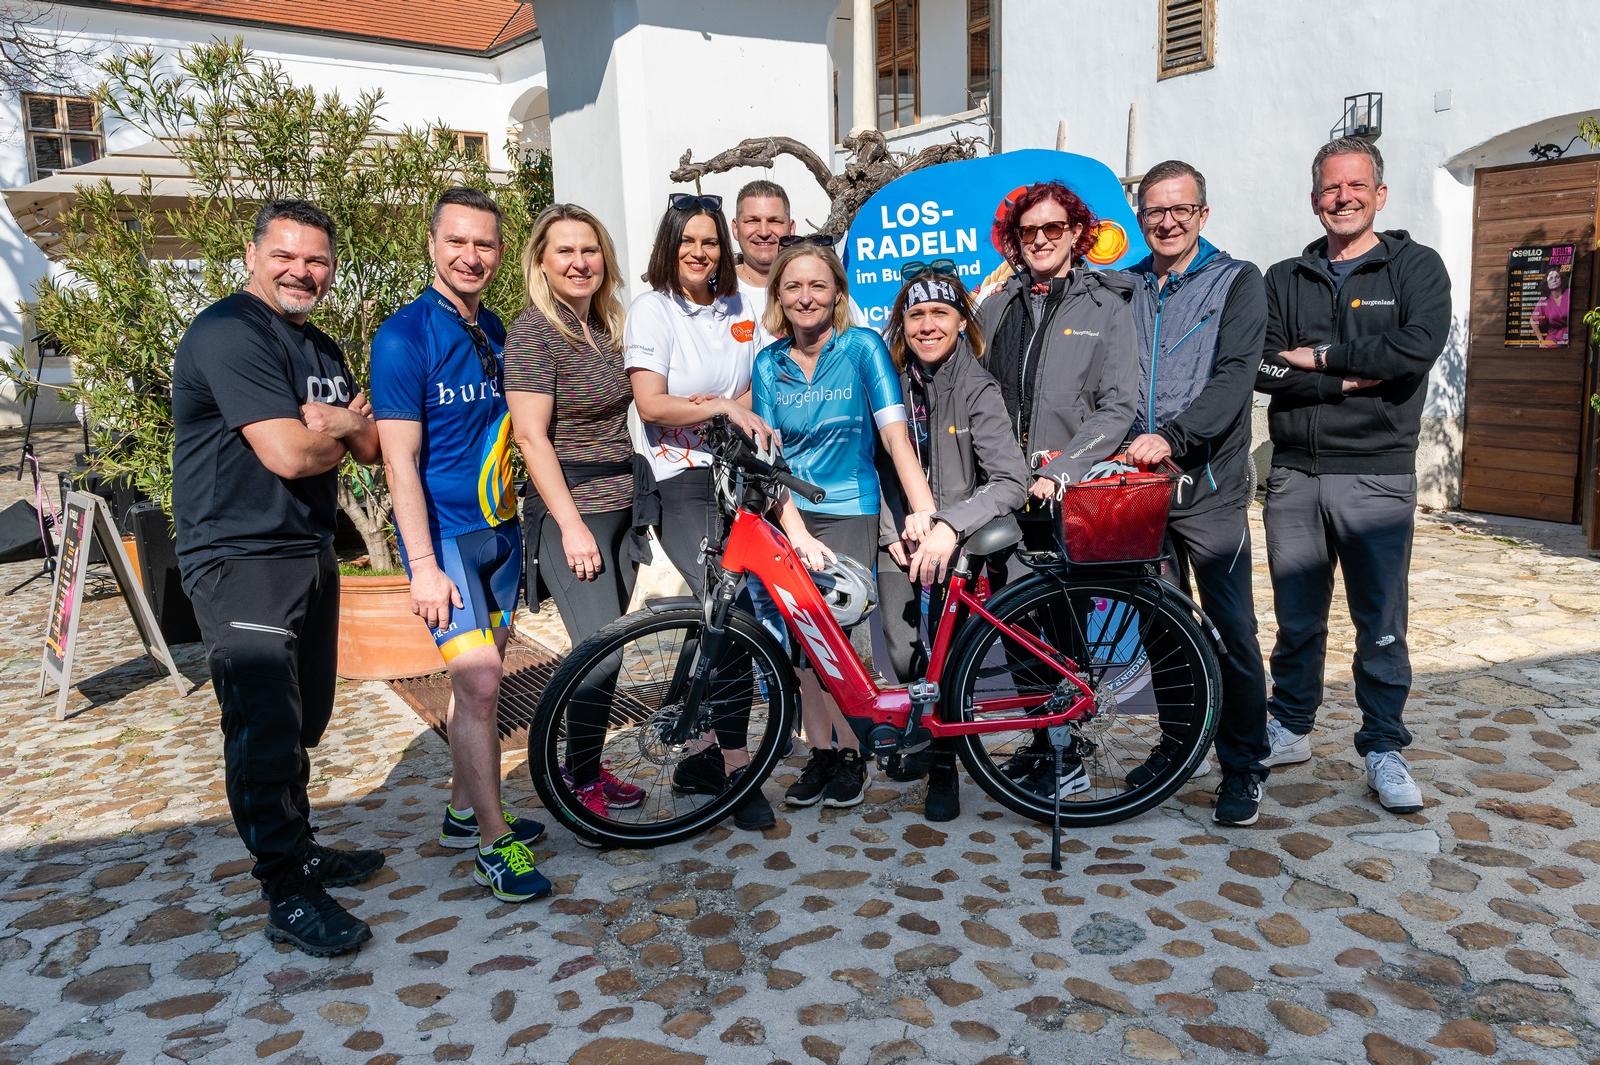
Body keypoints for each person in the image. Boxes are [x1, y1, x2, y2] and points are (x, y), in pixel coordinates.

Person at [173, 199, 383, 957]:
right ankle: (286, 891)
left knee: (302, 719)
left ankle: (301, 847)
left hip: (305, 549)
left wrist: (333, 425)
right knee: (263, 725)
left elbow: (366, 447)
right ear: (252, 255)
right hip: (238, 556)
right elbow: (290, 456)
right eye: (286, 256)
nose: (303, 271)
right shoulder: (228, 332)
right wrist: (332, 429)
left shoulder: (321, 347)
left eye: (317, 259)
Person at [1256, 137, 1451, 815]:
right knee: (1297, 619)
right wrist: (1345, 376)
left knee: (1381, 622)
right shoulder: (1283, 277)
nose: (1343, 198)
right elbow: (1260, 365)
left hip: (1376, 473)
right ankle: (1291, 726)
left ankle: (1383, 748)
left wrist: (1315, 357)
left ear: (1380, 194)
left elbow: (1413, 350)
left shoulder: (1414, 268)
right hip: (1295, 475)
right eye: (1331, 189)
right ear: (1315, 200)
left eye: (1355, 187)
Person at [371, 188, 551, 902]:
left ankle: (459, 809)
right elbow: (396, 461)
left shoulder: (496, 326)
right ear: (431, 244)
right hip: (444, 538)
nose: (471, 256)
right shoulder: (403, 336)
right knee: (479, 682)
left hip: (497, 537)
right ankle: (491, 841)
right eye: (457, 242)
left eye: (484, 244)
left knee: (477, 682)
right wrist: (420, 567)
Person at [753, 239, 937, 811]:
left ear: (836, 293)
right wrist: (794, 529)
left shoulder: (861, 347)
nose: (805, 297)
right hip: (788, 516)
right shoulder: (767, 362)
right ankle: (822, 754)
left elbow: (893, 436)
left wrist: (925, 510)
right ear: (778, 297)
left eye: (817, 285)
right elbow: (767, 458)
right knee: (802, 645)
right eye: (793, 287)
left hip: (850, 507)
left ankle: (854, 753)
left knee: (841, 640)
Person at [975, 180, 1138, 798]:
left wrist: (1062, 469)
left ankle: (1069, 754)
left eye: (1052, 229)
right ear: (1015, 240)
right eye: (1028, 232)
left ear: (1076, 233)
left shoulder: (1106, 308)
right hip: (1006, 492)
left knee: (1063, 630)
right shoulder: (995, 307)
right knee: (1015, 626)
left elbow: (1117, 407)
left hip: (1064, 497)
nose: (1040, 240)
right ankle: (1043, 742)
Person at [1122, 160, 1271, 827]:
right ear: (1139, 217)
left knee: (1232, 628)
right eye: (1155, 210)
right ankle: (1181, 745)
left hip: (1206, 489)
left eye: (1180, 209)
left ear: (1203, 214)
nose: (1168, 220)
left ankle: (1244, 764)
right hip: (1138, 493)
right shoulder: (1124, 287)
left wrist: (1175, 437)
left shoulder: (1237, 281)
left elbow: (1236, 377)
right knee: (1162, 627)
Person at [624, 192, 776, 831]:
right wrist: (720, 407)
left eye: (710, 241)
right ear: (670, 245)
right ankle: (740, 766)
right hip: (680, 479)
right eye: (688, 240)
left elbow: (758, 376)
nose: (700, 251)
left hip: (738, 476)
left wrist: (731, 402)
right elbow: (652, 404)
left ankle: (699, 750)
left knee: (718, 613)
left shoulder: (741, 306)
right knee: (730, 610)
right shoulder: (653, 310)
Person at [503, 203, 647, 827]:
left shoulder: (607, 328)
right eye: (564, 251)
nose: (580, 262)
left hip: (622, 507)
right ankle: (576, 785)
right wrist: (570, 526)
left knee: (611, 647)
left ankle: (584, 767)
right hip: (575, 510)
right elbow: (530, 437)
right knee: (601, 651)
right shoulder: (534, 330)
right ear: (541, 260)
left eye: (589, 251)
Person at [876, 262, 1029, 821]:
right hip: (898, 540)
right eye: (916, 315)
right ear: (902, 324)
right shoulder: (889, 381)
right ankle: (923, 740)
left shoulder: (977, 386)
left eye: (940, 313)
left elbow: (1010, 481)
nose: (928, 326)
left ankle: (945, 767)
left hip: (956, 546)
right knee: (902, 651)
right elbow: (877, 467)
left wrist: (950, 524)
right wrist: (893, 531)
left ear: (963, 321)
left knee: (947, 664)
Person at [731, 179, 795, 345]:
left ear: (791, 229)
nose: (764, 232)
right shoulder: (715, 292)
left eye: (774, 221)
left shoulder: (819, 289)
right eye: (752, 220)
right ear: (735, 229)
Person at [1531, 266, 1570, 347]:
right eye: (1551, 278)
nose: (1554, 280)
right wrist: (1541, 341)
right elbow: (1533, 320)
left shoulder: (1569, 293)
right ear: (1547, 283)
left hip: (1570, 337)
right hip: (1553, 338)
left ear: (1561, 280)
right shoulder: (1544, 300)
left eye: (1557, 277)